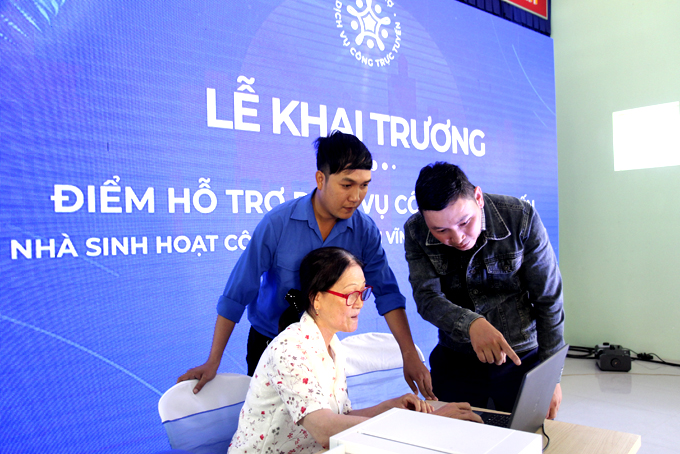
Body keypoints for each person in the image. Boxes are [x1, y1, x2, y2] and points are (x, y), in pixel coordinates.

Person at [179, 131, 434, 399]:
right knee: (270, 420)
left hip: (323, 348)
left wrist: (408, 354)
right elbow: (237, 293)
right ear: (320, 179)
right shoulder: (278, 224)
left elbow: (387, 293)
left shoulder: (364, 231)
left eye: (364, 185)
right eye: (347, 185)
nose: (356, 197)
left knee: (324, 420)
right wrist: (214, 360)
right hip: (269, 343)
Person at [228, 247, 481, 454]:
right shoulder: (289, 348)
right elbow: (324, 429)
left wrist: (389, 408)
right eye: (351, 294)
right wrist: (423, 424)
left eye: (362, 293)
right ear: (317, 299)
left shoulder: (332, 345)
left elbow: (342, 417)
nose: (360, 303)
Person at [404, 162, 565, 418]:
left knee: (525, 437)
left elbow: (548, 299)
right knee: (451, 436)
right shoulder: (415, 230)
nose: (457, 237)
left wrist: (550, 377)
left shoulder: (520, 217)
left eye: (464, 222)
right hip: (456, 359)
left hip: (521, 358)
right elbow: (427, 298)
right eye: (441, 231)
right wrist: (471, 324)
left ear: (478, 197)